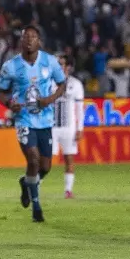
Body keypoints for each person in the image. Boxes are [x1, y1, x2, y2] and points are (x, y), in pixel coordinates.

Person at [0, 26, 66, 223]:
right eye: (26, 37)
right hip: (24, 119)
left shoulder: (50, 62)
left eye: (33, 37)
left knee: (46, 166)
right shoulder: (11, 66)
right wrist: (10, 103)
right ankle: (36, 207)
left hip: (45, 119)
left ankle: (26, 183)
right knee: (33, 161)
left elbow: (62, 84)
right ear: (21, 41)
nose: (29, 40)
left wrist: (50, 99)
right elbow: (0, 93)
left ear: (39, 41)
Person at [51, 54, 84, 199]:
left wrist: (80, 128)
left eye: (62, 64)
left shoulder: (76, 84)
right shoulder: (48, 83)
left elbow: (79, 109)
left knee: (69, 158)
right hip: (51, 126)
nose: (59, 66)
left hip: (69, 127)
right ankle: (35, 187)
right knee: (44, 158)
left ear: (68, 67)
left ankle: (68, 190)